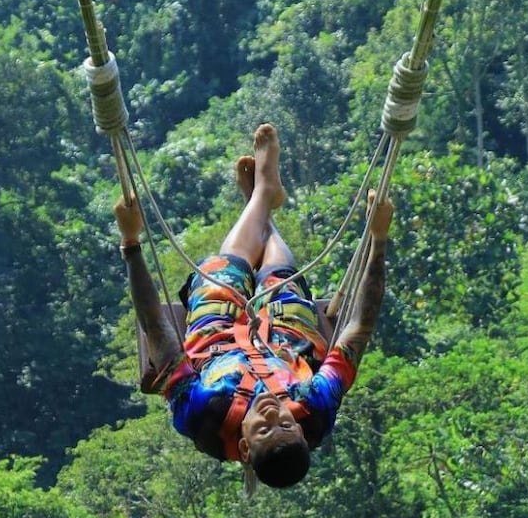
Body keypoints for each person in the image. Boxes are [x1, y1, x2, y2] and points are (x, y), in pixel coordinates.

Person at [115, 124, 392, 489]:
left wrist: (131, 242)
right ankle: (262, 196)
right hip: (287, 342)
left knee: (223, 271)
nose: (273, 413)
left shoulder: (202, 411)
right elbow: (360, 329)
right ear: (303, 434)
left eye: (264, 427)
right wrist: (379, 238)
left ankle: (261, 196)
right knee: (279, 278)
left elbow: (156, 328)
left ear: (244, 446)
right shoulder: (315, 406)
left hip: (220, 341)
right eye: (286, 424)